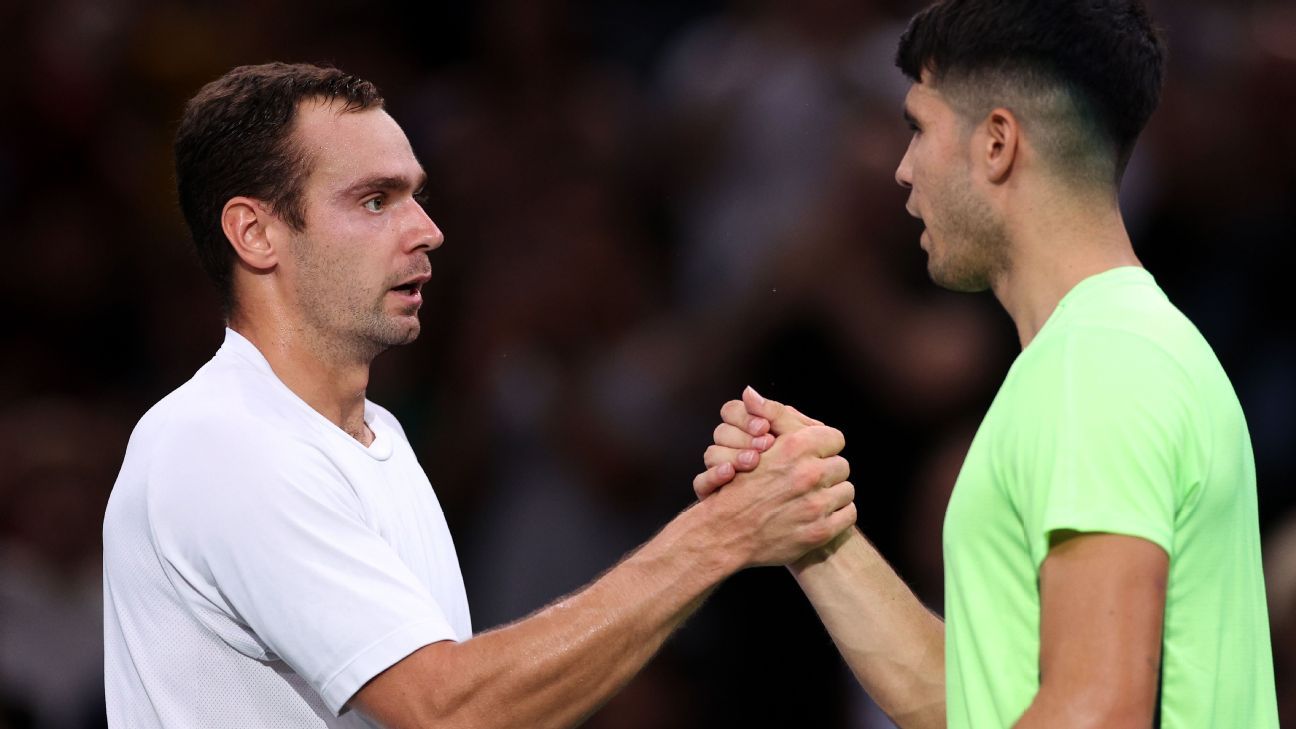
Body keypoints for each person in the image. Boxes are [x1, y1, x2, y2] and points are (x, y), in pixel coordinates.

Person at [101, 62, 857, 729]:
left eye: (418, 196)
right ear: (256, 234)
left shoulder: (378, 435)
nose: (427, 229)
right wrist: (722, 533)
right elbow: (452, 710)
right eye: (375, 200)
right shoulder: (221, 442)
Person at [696, 1, 1280, 727]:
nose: (902, 171)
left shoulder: (1096, 366)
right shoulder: (1108, 350)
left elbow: (1095, 714)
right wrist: (811, 525)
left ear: (998, 142)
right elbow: (975, 707)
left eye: (916, 127)